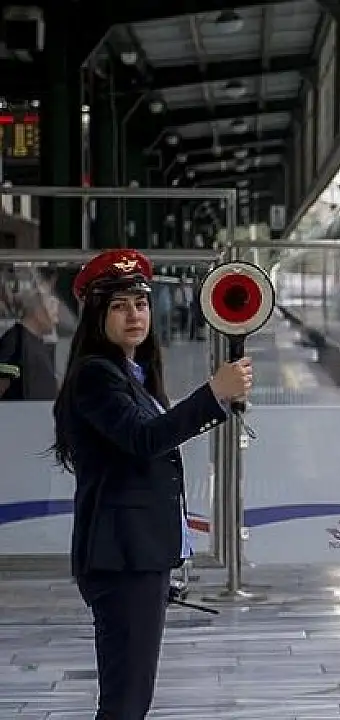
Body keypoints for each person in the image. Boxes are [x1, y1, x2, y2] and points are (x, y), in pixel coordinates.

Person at [48, 248, 253, 720]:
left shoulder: (131, 373)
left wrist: (219, 399)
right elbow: (144, 439)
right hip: (122, 558)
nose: (134, 315)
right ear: (96, 315)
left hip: (137, 555)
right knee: (125, 700)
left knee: (132, 694)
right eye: (119, 306)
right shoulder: (96, 375)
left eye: (140, 304)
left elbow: (149, 438)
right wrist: (213, 394)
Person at [0, 287, 60, 400]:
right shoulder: (15, 341)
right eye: (53, 314)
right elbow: (2, 380)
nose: (56, 321)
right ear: (38, 312)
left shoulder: (41, 344)